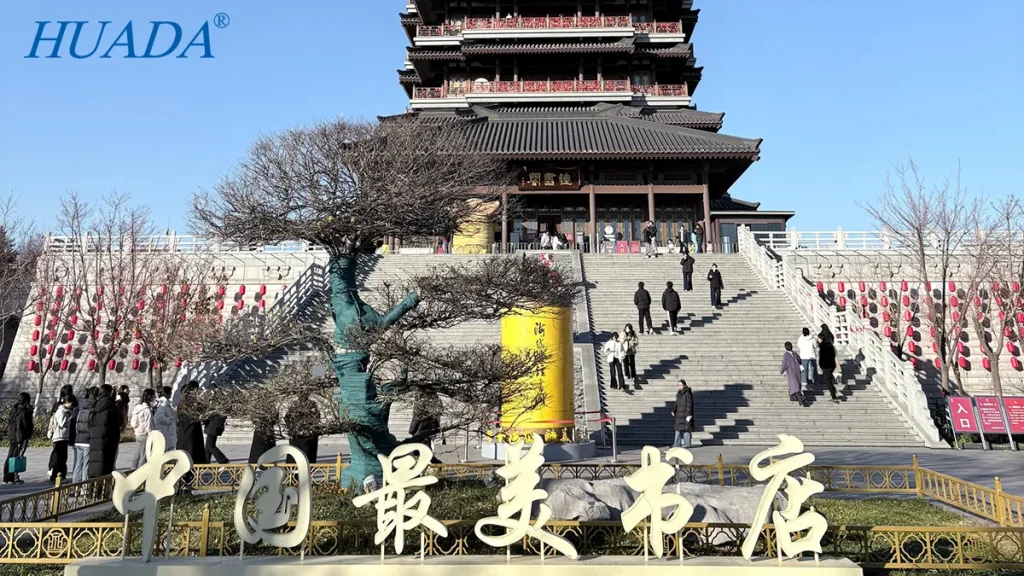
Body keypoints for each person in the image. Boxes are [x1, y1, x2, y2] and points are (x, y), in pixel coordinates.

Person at [88, 385, 120, 478]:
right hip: (108, 440)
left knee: (95, 465)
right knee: (105, 467)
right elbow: (116, 424)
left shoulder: (95, 405)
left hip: (94, 440)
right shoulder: (111, 405)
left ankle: (93, 484)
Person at [4, 392, 33, 484]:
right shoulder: (22, 412)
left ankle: (8, 477)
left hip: (13, 436)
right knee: (16, 457)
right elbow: (20, 426)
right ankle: (12, 477)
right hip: (19, 436)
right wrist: (20, 440)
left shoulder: (15, 409)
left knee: (11, 456)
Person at [285, 394, 321, 464]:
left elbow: (317, 417)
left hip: (306, 433)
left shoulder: (311, 404)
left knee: (306, 454)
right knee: (296, 454)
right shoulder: (295, 405)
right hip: (299, 433)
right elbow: (287, 417)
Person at [48, 394, 75, 483]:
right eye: (71, 403)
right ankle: (59, 476)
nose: (72, 405)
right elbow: (62, 423)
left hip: (63, 437)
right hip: (60, 437)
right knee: (61, 459)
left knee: (61, 458)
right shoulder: (61, 411)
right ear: (67, 402)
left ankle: (55, 475)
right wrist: (70, 418)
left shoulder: (65, 411)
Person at [72, 388, 95, 483]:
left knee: (78, 464)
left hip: (78, 440)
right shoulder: (92, 412)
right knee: (86, 465)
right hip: (87, 441)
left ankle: (75, 484)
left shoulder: (81, 410)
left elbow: (76, 425)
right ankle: (84, 487)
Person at [130, 389, 156, 469]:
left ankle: (132, 470)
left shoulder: (138, 407)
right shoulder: (147, 410)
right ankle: (140, 473)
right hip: (145, 435)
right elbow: (149, 425)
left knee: (137, 455)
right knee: (144, 456)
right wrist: (152, 436)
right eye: (154, 395)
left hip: (138, 434)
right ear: (150, 396)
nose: (155, 397)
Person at [203, 386, 229, 466]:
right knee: (208, 445)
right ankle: (206, 461)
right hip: (214, 426)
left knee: (210, 446)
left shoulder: (216, 403)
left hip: (213, 426)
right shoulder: (221, 403)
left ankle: (223, 460)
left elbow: (211, 413)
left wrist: (205, 418)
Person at [780, 342, 807, 407]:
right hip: (797, 371)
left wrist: (781, 371)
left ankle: (802, 399)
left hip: (791, 372)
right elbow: (799, 360)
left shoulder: (786, 355)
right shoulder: (794, 353)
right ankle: (800, 400)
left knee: (795, 386)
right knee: (796, 385)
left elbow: (784, 363)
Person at [153, 386, 179, 451]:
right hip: (165, 432)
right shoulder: (162, 403)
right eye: (170, 393)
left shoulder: (166, 403)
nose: (171, 394)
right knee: (166, 450)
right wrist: (169, 421)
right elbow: (160, 417)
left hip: (169, 432)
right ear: (166, 393)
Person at [818, 335, 841, 404]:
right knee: (829, 380)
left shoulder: (822, 346)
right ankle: (833, 390)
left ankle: (834, 397)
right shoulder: (830, 345)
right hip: (832, 365)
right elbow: (833, 355)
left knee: (828, 381)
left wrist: (821, 365)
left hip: (826, 366)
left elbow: (821, 357)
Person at [671, 380, 694, 448]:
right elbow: (677, 403)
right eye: (678, 385)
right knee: (677, 429)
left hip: (685, 414)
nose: (679, 386)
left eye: (681, 385)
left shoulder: (687, 393)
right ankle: (676, 443)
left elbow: (689, 404)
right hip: (679, 414)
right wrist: (673, 410)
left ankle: (687, 443)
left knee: (686, 429)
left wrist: (689, 414)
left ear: (684, 385)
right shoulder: (679, 393)